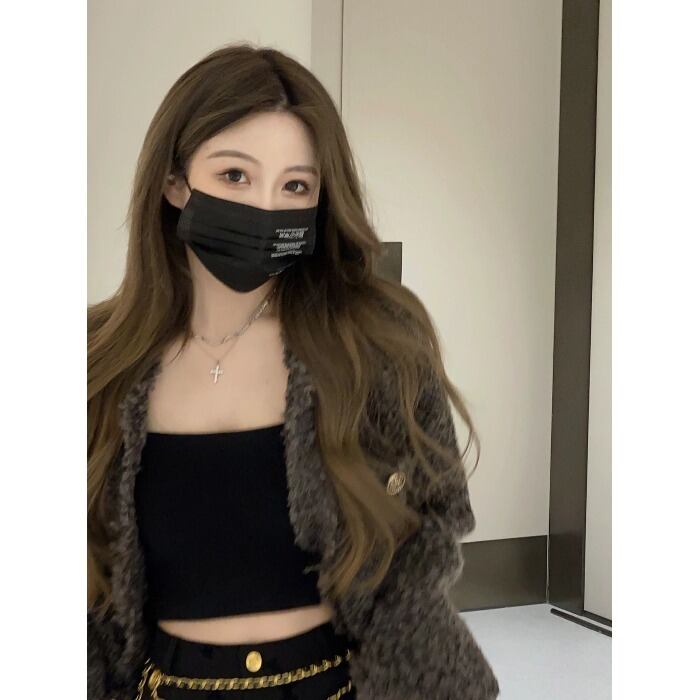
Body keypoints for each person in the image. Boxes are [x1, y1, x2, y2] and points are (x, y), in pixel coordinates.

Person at [88, 42, 500, 700]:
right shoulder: (95, 361)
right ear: (175, 183)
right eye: (234, 175)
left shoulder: (376, 345)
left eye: (295, 186)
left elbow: (430, 527)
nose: (265, 208)